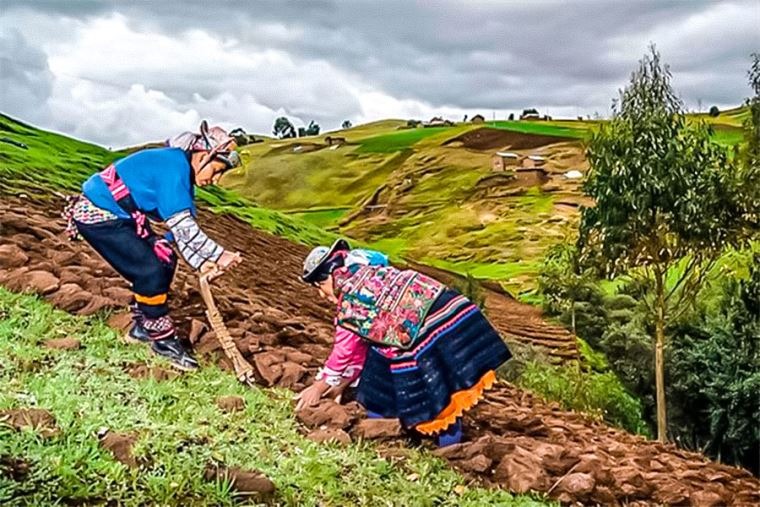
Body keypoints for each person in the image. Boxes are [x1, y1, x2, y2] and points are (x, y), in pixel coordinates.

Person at [63, 121, 242, 370]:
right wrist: (219, 255)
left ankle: (142, 326)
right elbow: (184, 228)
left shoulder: (178, 170)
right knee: (149, 270)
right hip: (99, 215)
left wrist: (203, 263)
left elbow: (181, 234)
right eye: (217, 169)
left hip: (122, 216)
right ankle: (161, 340)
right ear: (203, 155)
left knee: (164, 257)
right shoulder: (174, 168)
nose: (216, 179)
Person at [296, 239, 511, 446]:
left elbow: (344, 352)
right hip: (443, 317)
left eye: (321, 284)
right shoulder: (367, 271)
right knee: (377, 372)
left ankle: (450, 452)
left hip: (434, 329)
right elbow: (359, 352)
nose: (322, 294)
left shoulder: (352, 303)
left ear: (333, 275)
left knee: (437, 394)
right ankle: (381, 428)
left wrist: (317, 388)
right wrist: (338, 386)